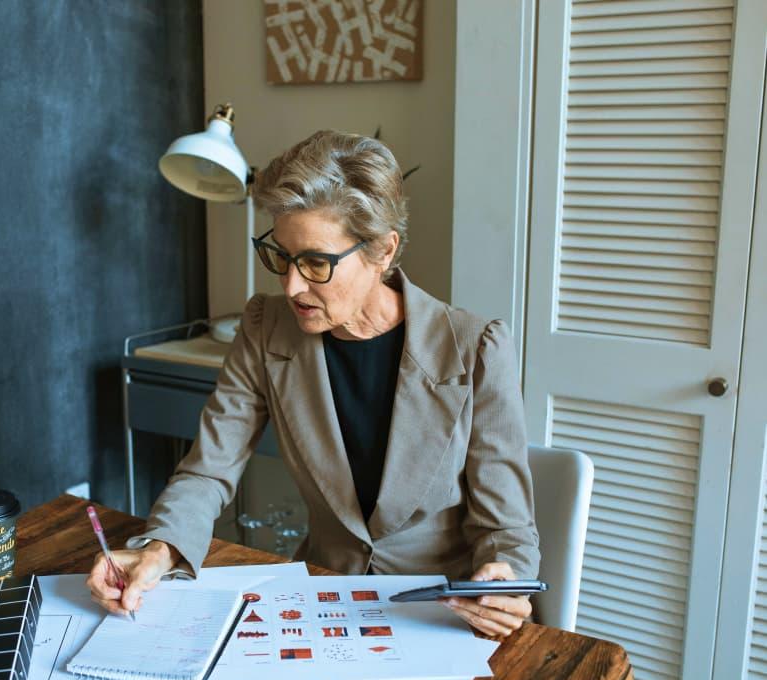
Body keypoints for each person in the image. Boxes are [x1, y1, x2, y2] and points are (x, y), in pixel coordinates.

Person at [88, 131, 540, 637]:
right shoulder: (264, 328)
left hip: (445, 618)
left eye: (317, 263)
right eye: (282, 255)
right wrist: (160, 550)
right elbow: (209, 470)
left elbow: (506, 529)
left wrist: (504, 580)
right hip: (326, 601)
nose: (292, 285)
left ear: (383, 251)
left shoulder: (476, 348)